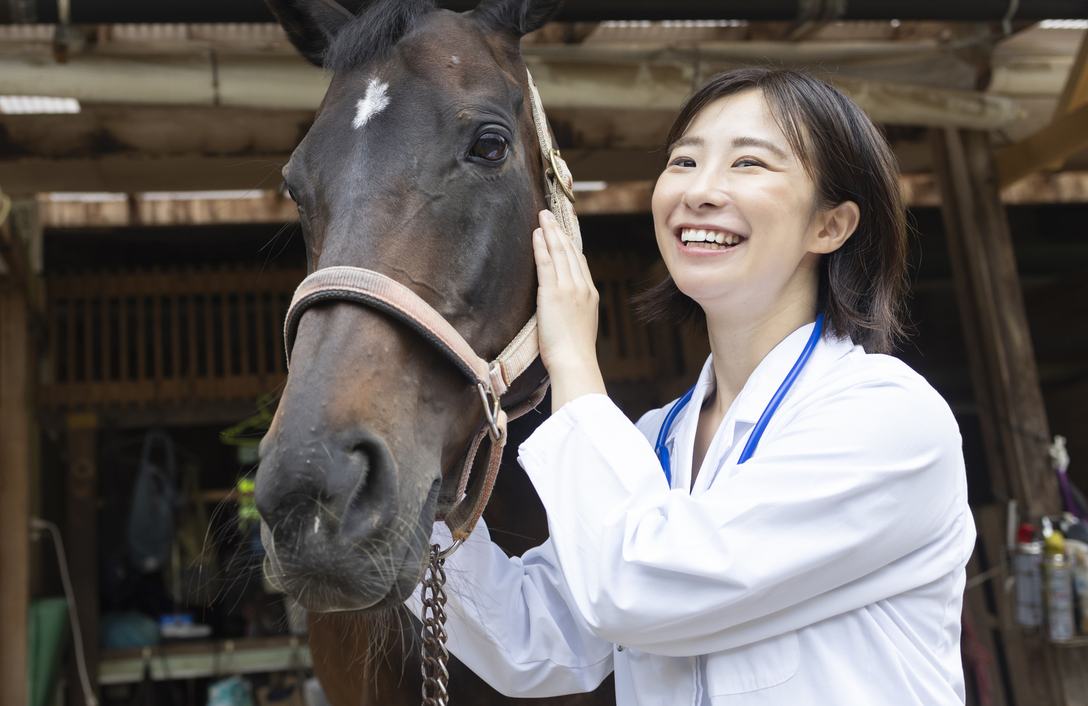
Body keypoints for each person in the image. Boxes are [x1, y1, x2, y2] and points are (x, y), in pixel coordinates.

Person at [407, 67, 976, 706]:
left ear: (831, 226)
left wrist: (572, 361)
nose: (700, 190)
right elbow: (536, 639)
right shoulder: (659, 439)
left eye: (750, 164)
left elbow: (634, 590)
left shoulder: (887, 419)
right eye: (683, 160)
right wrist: (404, 496)